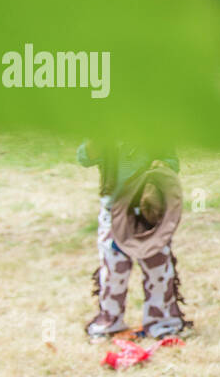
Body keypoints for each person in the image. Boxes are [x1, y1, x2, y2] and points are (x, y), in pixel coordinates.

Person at [77, 139, 190, 339]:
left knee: (158, 270)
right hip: (114, 211)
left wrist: (159, 170)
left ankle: (163, 323)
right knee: (113, 270)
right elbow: (84, 157)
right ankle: (110, 321)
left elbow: (172, 162)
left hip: (149, 211)